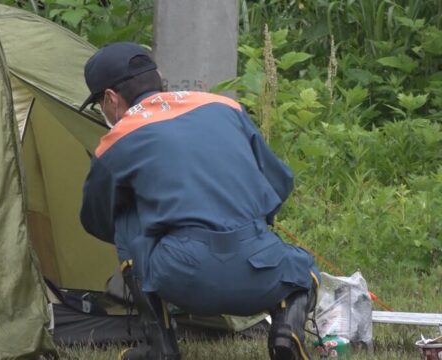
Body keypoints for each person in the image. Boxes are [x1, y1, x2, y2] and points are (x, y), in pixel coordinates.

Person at [78, 42, 320, 360]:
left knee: (125, 215)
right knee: (305, 272)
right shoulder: (225, 108)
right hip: (263, 274)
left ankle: (160, 347)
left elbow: (96, 219)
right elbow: (279, 182)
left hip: (182, 279)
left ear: (110, 98)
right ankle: (286, 332)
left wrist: (155, 221)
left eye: (99, 104)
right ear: (160, 78)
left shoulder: (119, 139)